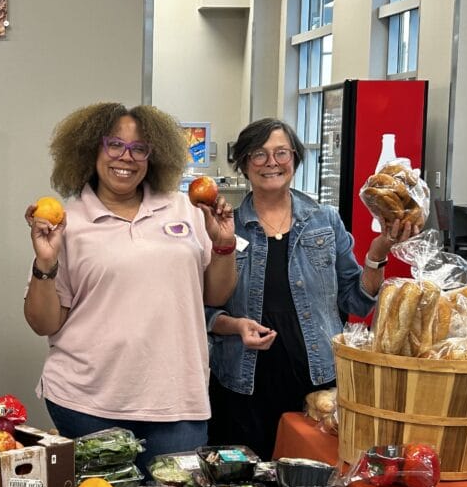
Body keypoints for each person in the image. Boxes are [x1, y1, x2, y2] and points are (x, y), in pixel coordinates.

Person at [24, 102, 237, 461]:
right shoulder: (67, 222)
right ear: (92, 149)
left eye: (139, 148)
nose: (127, 157)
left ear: (154, 156)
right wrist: (45, 262)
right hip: (88, 402)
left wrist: (223, 244)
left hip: (177, 402)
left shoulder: (185, 209)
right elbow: (44, 322)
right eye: (114, 145)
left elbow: (215, 294)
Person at [206, 118, 419, 459]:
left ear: (295, 159)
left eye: (281, 153)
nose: (271, 163)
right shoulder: (225, 227)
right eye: (259, 155)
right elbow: (205, 309)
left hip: (317, 385)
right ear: (244, 163)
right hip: (243, 383)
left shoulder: (325, 220)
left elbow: (357, 300)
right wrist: (235, 325)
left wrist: (378, 252)